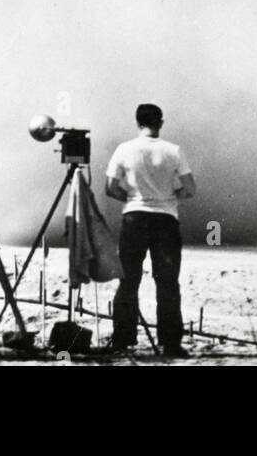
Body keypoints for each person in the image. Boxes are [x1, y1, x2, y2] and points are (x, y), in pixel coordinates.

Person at [105, 103, 195, 358]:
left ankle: (122, 340)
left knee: (128, 280)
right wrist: (170, 196)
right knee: (167, 282)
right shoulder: (173, 150)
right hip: (165, 220)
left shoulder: (124, 149)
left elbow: (110, 187)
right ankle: (171, 343)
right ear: (161, 123)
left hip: (134, 218)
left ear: (137, 122)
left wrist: (132, 198)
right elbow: (190, 188)